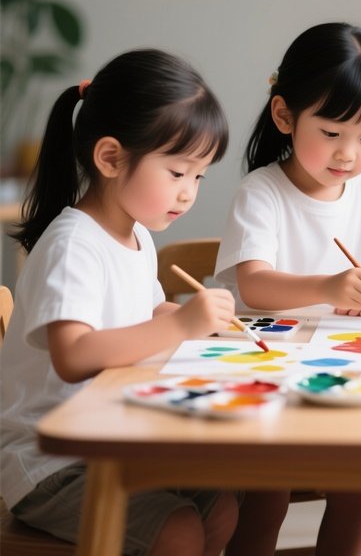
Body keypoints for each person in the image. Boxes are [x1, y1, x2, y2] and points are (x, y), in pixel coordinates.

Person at [1, 49, 240, 556]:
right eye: (177, 172)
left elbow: (148, 314)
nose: (189, 193)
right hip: (49, 458)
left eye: (198, 177)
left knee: (222, 506)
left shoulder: (133, 235)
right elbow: (75, 355)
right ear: (110, 158)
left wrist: (200, 323)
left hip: (113, 433)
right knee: (177, 531)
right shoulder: (72, 244)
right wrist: (180, 328)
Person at [215, 21, 361, 556]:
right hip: (266, 368)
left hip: (343, 366)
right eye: (331, 133)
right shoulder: (262, 192)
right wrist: (329, 285)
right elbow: (253, 286)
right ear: (284, 116)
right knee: (267, 491)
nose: (348, 153)